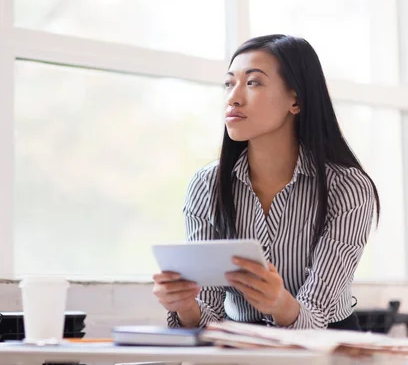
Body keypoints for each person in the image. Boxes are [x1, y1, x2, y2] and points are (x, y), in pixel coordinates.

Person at [152, 34, 379, 330]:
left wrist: (278, 302)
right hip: (242, 344)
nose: (233, 97)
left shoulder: (348, 187)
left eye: (253, 82)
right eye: (229, 83)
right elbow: (208, 314)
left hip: (325, 345)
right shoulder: (207, 185)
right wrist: (185, 306)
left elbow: (317, 316)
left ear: (295, 99)